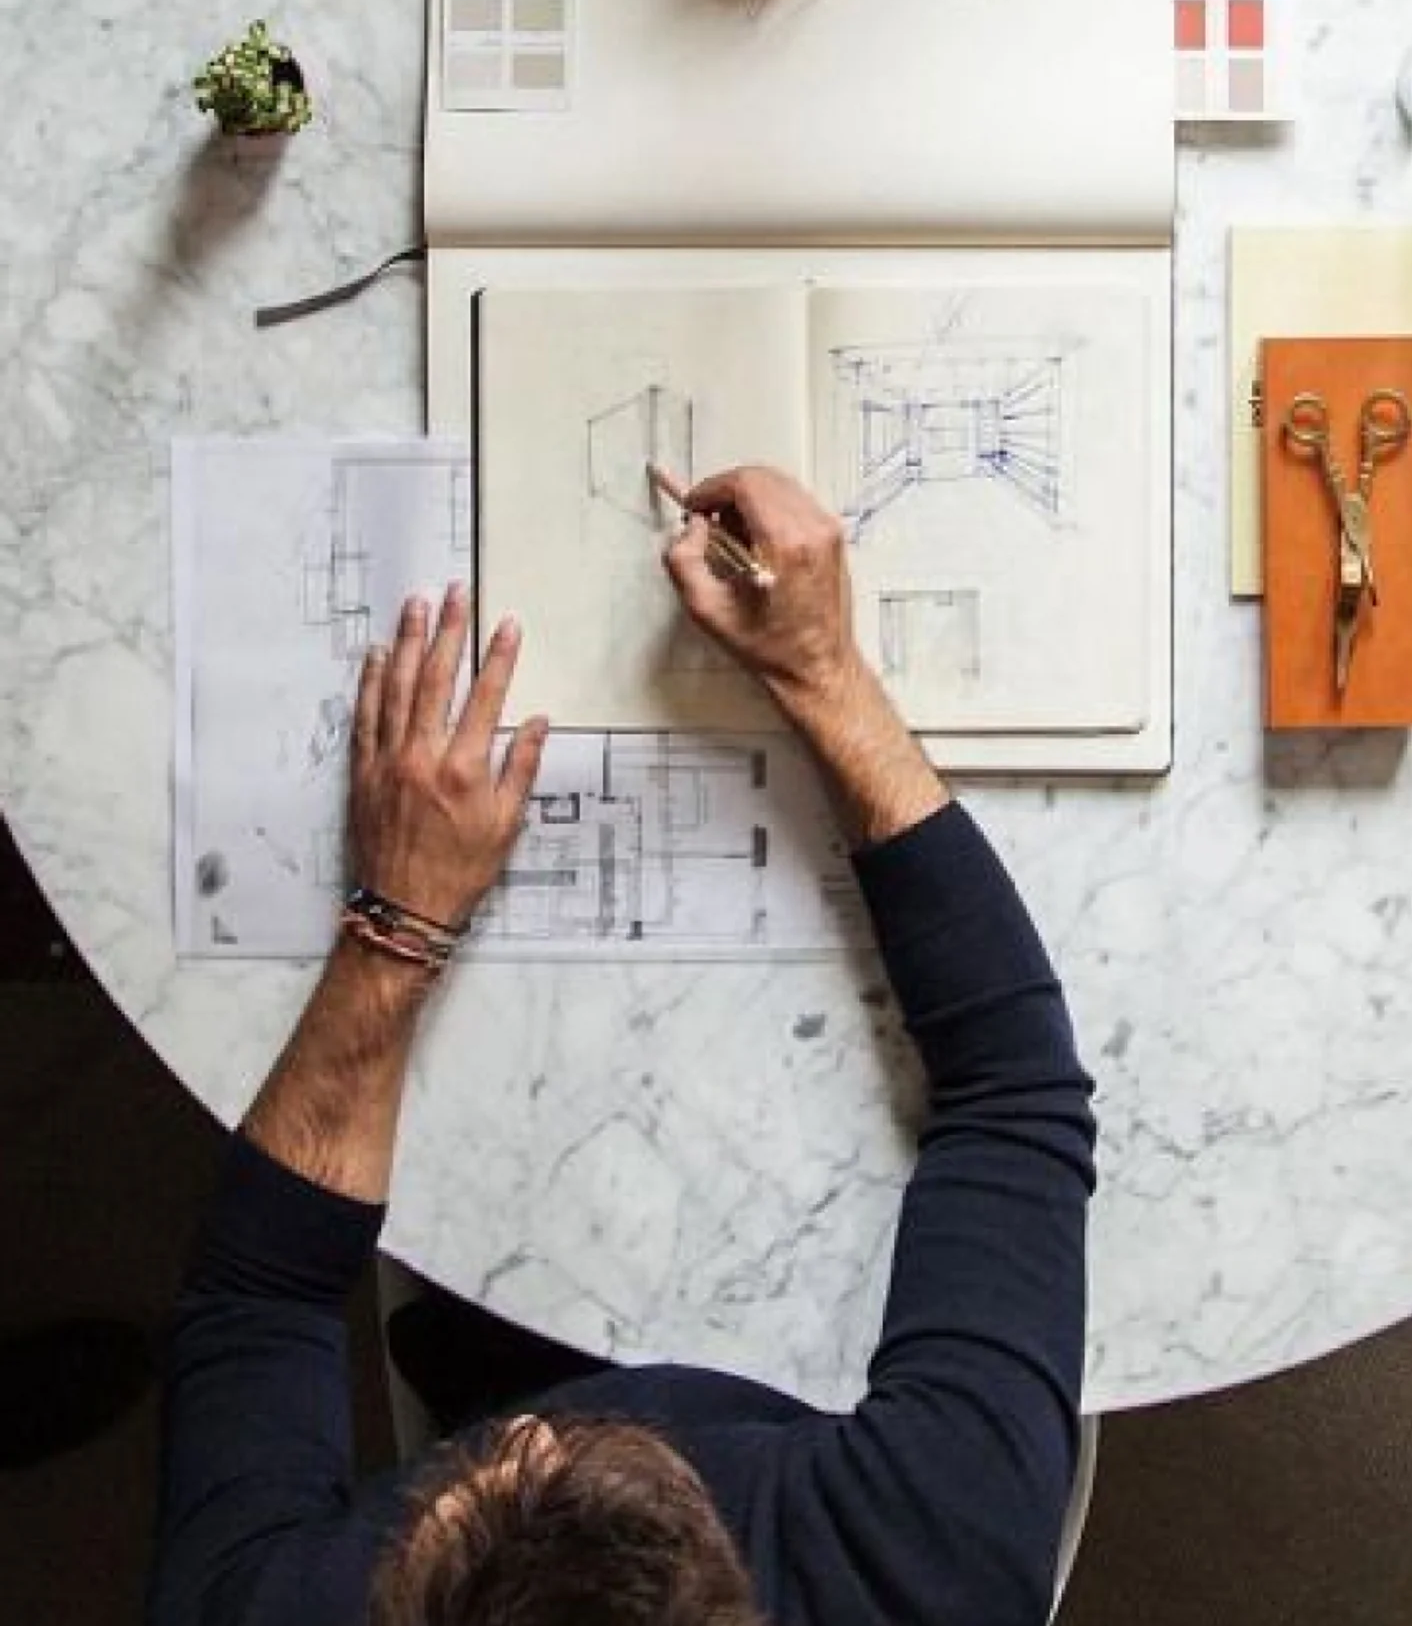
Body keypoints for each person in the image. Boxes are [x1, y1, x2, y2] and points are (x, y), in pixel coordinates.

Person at [145, 470, 1096, 1626]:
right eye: (563, 1465)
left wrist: (393, 929)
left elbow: (260, 1293)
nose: (524, 1432)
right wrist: (821, 670)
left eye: (469, 1492)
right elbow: (1015, 1085)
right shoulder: (930, 1556)